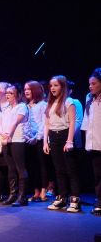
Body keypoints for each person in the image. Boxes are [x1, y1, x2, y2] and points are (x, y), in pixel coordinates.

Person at [44, 75, 81, 212]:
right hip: (53, 137)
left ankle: (75, 199)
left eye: (56, 85)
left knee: (71, 169)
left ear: (63, 86)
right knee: (58, 170)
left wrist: (69, 140)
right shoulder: (50, 103)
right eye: (51, 85)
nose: (52, 88)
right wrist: (45, 141)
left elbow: (72, 122)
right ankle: (61, 197)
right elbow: (47, 124)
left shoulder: (68, 101)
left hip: (65, 135)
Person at [0, 84, 30, 206]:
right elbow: (1, 123)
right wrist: (2, 134)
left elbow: (15, 122)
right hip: (6, 140)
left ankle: (22, 196)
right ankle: (13, 194)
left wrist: (8, 135)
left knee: (20, 168)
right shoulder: (6, 108)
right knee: (11, 169)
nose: (7, 94)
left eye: (11, 93)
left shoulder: (21, 106)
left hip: (17, 140)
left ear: (17, 94)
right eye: (6, 92)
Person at [81, 67, 101, 216]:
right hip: (94, 143)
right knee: (98, 175)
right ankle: (99, 201)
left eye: (93, 83)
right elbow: (87, 121)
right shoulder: (89, 98)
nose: (90, 86)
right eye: (89, 84)